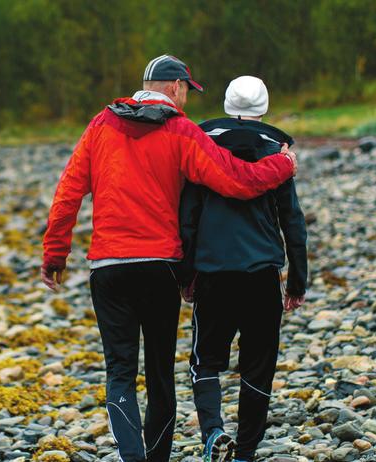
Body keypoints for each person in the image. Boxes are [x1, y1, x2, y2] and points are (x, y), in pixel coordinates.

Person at [40, 55, 297, 462]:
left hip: (107, 268)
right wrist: (282, 164)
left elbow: (68, 192)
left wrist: (55, 252)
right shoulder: (180, 130)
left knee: (120, 373)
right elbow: (236, 181)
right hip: (159, 267)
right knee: (160, 376)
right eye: (187, 93)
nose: (187, 101)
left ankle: (132, 457)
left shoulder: (100, 124)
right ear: (176, 88)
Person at [178, 75, 308, 462]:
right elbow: (293, 222)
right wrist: (297, 281)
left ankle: (214, 431)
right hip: (262, 272)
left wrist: (186, 275)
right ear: (264, 109)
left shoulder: (201, 147)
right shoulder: (279, 155)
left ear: (227, 104)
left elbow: (188, 218)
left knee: (204, 360)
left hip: (214, 272)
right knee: (259, 364)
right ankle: (245, 453)